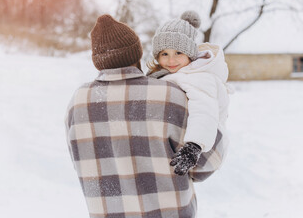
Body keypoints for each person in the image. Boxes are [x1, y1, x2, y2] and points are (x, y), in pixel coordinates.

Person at [65, 14, 228, 218]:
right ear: (137, 55)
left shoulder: (78, 102)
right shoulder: (171, 96)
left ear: (98, 62)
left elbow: (80, 160)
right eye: (165, 54)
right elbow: (208, 162)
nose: (171, 60)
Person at [148, 11, 232, 175]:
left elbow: (204, 110)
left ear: (190, 54)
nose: (171, 60)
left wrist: (194, 146)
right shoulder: (171, 74)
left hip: (206, 147)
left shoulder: (199, 77)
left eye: (178, 53)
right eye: (165, 54)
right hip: (189, 143)